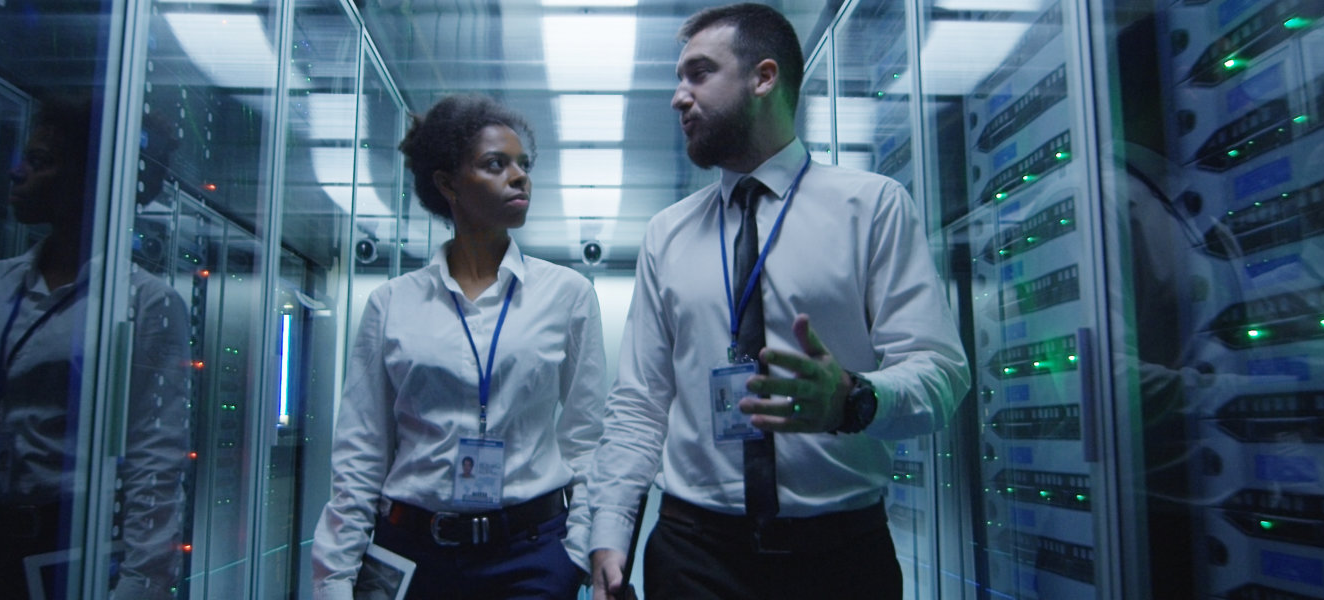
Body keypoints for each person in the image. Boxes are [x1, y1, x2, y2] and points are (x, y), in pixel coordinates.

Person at [586, 4, 969, 599]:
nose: (678, 97)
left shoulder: (871, 207)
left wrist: (854, 399)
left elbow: (943, 373)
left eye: (698, 74)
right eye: (677, 78)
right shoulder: (666, 232)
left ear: (764, 78)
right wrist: (609, 529)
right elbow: (640, 401)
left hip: (840, 555)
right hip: (694, 553)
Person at [0, 94, 191, 600]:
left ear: (89, 180)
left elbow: (153, 453)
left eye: (41, 162)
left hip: (60, 543)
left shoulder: (143, 301)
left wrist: (143, 582)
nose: (17, 172)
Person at [312, 93, 607, 600]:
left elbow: (587, 436)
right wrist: (334, 579)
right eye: (496, 164)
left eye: (523, 164)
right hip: (412, 553)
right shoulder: (392, 304)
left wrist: (575, 551)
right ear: (447, 184)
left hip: (532, 555)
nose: (519, 177)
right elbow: (361, 451)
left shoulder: (568, 295)